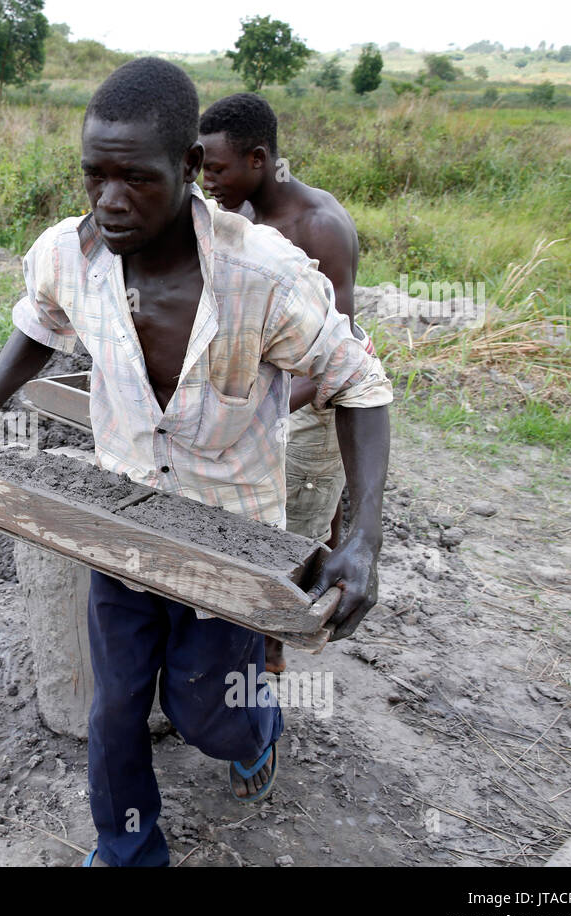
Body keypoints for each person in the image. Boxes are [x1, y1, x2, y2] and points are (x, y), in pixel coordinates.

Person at [0, 58, 392, 867]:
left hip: (232, 531)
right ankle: (128, 850)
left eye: (134, 179)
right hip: (124, 515)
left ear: (188, 171)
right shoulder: (66, 258)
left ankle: (257, 729)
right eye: (94, 177)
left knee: (203, 711)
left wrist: (364, 539)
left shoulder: (264, 277)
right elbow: (38, 325)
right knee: (113, 708)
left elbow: (361, 381)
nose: (109, 200)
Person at [199, 92, 373, 675]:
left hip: (312, 408)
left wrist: (250, 411)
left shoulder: (319, 227)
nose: (207, 181)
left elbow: (331, 363)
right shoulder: (243, 218)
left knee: (284, 547)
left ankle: (266, 675)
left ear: (257, 158)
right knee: (257, 530)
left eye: (217, 169)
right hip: (266, 401)